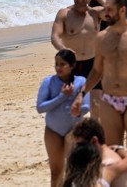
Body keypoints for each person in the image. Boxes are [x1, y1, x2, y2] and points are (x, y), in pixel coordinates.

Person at [71, 0, 127, 187]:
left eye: (109, 10)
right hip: (109, 100)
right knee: (111, 151)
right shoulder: (102, 38)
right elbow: (96, 72)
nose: (105, 14)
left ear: (123, 10)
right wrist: (81, 94)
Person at [37, 49, 90, 187]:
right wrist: (62, 97)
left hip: (74, 130)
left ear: (72, 66)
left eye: (62, 64)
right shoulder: (48, 82)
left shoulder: (81, 81)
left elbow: (87, 107)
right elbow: (40, 107)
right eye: (56, 64)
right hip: (52, 131)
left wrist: (78, 112)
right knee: (55, 172)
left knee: (72, 169)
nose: (58, 68)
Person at [52, 0, 100, 83]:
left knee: (95, 98)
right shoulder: (64, 14)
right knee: (72, 97)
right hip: (72, 64)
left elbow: (115, 11)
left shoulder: (96, 13)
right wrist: (64, 50)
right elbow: (55, 37)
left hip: (93, 63)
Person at [69, 118, 127, 187]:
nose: (78, 150)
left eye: (81, 145)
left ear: (94, 141)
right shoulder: (114, 155)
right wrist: (118, 148)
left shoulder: (103, 165)